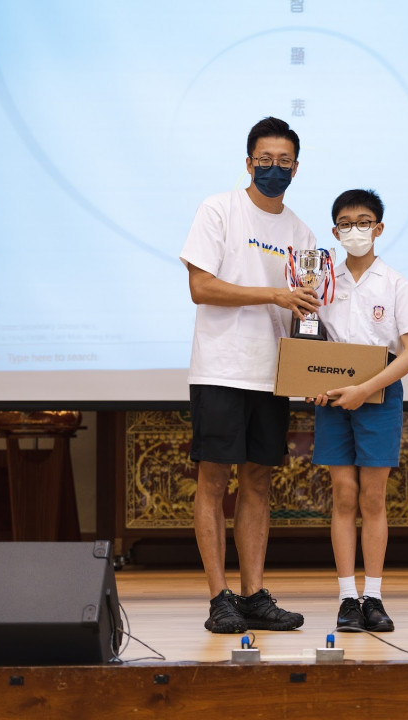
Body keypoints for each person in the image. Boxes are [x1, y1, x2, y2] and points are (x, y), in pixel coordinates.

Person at [179, 117, 321, 634]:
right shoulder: (219, 209)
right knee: (213, 479)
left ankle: (253, 593)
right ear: (248, 163)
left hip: (272, 374)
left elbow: (306, 310)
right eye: (265, 160)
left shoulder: (301, 233)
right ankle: (219, 597)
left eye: (284, 162)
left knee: (258, 481)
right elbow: (201, 287)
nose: (273, 169)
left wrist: (318, 361)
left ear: (296, 168)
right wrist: (273, 294)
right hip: (221, 367)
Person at [309, 189, 408, 633]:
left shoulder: (396, 284)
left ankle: (373, 597)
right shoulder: (323, 283)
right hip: (333, 399)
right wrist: (311, 382)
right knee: (343, 494)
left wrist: (365, 389)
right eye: (345, 223)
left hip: (379, 395)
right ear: (335, 231)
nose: (354, 230)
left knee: (373, 496)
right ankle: (347, 598)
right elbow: (309, 344)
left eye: (363, 222)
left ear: (378, 229)